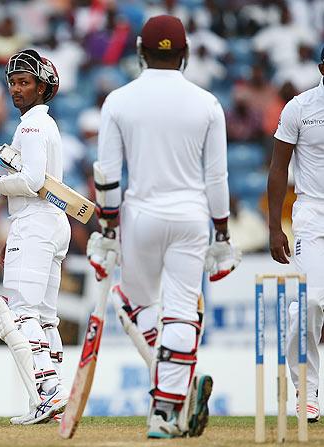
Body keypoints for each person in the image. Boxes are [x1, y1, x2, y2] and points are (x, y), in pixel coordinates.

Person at [87, 15, 240, 438]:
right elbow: (217, 178)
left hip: (141, 216)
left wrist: (108, 228)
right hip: (191, 218)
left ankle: (171, 392)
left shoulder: (118, 100)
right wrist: (223, 233)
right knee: (181, 312)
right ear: (186, 53)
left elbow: (107, 172)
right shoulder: (207, 103)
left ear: (139, 51)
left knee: (132, 303)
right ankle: (168, 408)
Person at [0, 49, 70, 425]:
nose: (16, 90)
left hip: (36, 222)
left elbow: (32, 181)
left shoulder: (32, 126)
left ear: (43, 87)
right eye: (13, 83)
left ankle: (48, 391)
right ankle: (54, 397)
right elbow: (33, 184)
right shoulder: (44, 125)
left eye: (25, 83)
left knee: (18, 313)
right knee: (45, 317)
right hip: (50, 223)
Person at [268, 46, 324, 423]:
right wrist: (275, 226)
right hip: (312, 214)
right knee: (312, 302)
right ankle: (308, 390)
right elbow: (278, 167)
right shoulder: (300, 107)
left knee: (307, 306)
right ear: (322, 67)